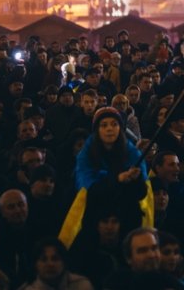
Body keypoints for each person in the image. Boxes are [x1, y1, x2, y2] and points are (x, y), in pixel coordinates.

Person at [74, 106, 149, 238]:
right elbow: (89, 189)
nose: (109, 129)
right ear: (97, 130)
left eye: (114, 124)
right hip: (96, 220)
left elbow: (141, 193)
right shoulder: (86, 155)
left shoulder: (132, 153)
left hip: (127, 220)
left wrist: (135, 179)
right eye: (104, 125)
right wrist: (118, 179)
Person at [18, 238, 94, 290]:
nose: (50, 264)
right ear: (35, 265)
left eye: (55, 259)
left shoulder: (81, 285)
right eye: (44, 260)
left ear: (64, 262)